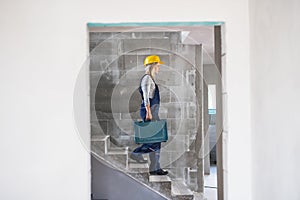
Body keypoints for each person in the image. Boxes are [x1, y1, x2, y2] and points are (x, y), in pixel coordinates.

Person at [130, 55, 168, 176]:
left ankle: (155, 168)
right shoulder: (147, 79)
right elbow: (146, 97)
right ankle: (136, 153)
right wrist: (148, 112)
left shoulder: (151, 79)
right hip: (149, 110)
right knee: (155, 140)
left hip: (153, 110)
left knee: (157, 140)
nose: (159, 68)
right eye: (157, 66)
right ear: (152, 66)